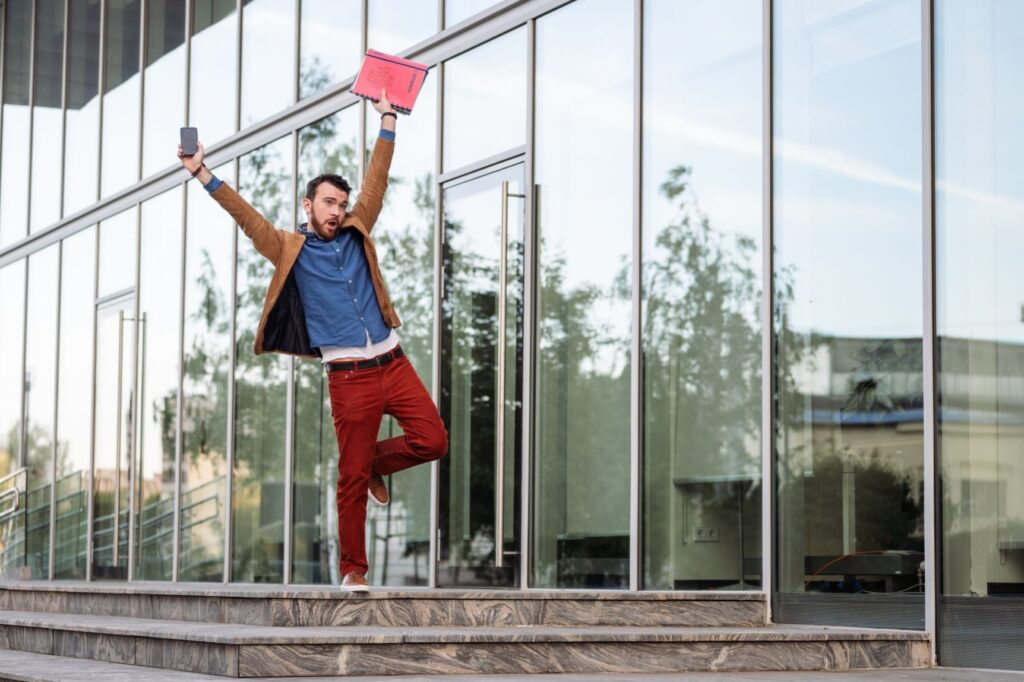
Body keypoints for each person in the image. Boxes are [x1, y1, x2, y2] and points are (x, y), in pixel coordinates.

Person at [177, 89, 448, 592]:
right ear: (308, 204)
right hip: (349, 379)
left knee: (433, 440)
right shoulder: (287, 247)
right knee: (350, 478)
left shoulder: (356, 228)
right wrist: (201, 172)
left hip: (393, 361)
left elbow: (378, 180)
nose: (337, 210)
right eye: (329, 203)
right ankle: (354, 571)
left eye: (342, 204)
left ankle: (373, 466)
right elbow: (246, 217)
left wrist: (388, 118)